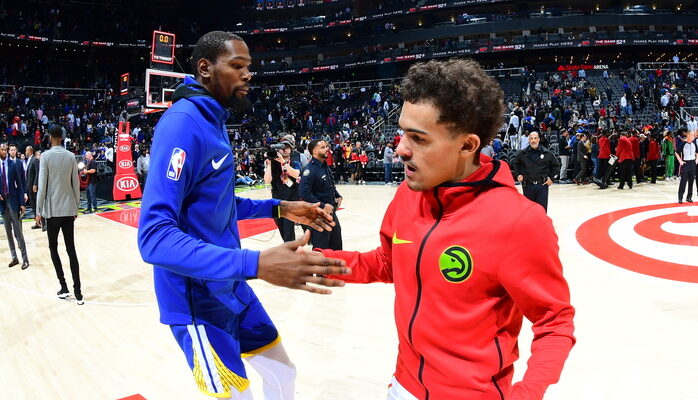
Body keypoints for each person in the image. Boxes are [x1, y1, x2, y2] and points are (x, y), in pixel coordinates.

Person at [319, 59, 575, 400]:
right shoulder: (407, 195)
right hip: (403, 384)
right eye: (401, 133)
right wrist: (319, 261)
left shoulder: (519, 222)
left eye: (418, 139)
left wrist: (528, 392)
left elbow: (554, 321)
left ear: (467, 146)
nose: (400, 149)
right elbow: (387, 263)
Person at [137, 31, 350, 400]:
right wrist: (255, 263)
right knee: (239, 395)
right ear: (205, 68)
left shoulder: (214, 119)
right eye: (237, 66)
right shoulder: (182, 125)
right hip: (197, 300)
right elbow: (153, 237)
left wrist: (279, 207)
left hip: (231, 286)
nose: (248, 74)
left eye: (249, 67)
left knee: (284, 374)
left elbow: (215, 204)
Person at [36, 126, 82, 303]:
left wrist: (39, 211)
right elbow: (75, 185)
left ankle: (63, 286)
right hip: (69, 210)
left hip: (52, 211)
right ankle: (78, 292)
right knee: (71, 250)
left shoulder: (45, 157)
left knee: (53, 248)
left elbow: (42, 186)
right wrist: (76, 207)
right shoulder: (70, 156)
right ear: (62, 137)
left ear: (50, 137)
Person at [299, 139, 343, 250]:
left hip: (331, 213)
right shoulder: (309, 170)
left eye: (326, 146)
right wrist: (323, 206)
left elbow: (330, 186)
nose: (327, 149)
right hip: (319, 215)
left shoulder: (324, 166)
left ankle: (335, 266)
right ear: (314, 152)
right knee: (321, 248)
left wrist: (337, 195)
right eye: (323, 147)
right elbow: (304, 194)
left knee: (336, 244)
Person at [264, 136, 301, 242]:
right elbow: (267, 181)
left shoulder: (295, 163)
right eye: (282, 147)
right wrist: (269, 165)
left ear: (291, 150)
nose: (284, 149)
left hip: (290, 200)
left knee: (288, 227)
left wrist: (283, 163)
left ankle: (290, 250)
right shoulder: (273, 164)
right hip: (276, 200)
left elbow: (295, 174)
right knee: (280, 226)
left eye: (287, 147)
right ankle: (288, 247)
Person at [512, 131, 560, 212]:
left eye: (535, 138)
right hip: (528, 186)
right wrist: (518, 175)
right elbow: (516, 164)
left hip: (542, 186)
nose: (533, 140)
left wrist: (552, 179)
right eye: (531, 138)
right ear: (528, 140)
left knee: (542, 210)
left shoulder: (547, 153)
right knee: (529, 210)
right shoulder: (522, 153)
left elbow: (556, 166)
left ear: (538, 139)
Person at [0, 143, 29, 270]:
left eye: (6, 149)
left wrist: (22, 203)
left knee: (18, 232)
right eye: (2, 149)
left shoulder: (13, 164)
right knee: (8, 232)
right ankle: (14, 257)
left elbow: (20, 183)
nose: (5, 151)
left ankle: (25, 259)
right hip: (2, 203)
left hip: (13, 201)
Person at [675, 130, 697, 203]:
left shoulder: (694, 143)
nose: (694, 136)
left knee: (691, 181)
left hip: (693, 163)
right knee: (683, 181)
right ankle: (680, 197)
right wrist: (680, 161)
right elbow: (676, 152)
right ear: (688, 135)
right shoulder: (683, 143)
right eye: (692, 135)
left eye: (694, 135)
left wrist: (696, 160)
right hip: (686, 164)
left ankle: (689, 197)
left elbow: (697, 153)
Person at [25, 147, 41, 229]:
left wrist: (35, 184)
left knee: (37, 205)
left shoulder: (35, 160)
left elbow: (38, 173)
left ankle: (42, 222)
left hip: (34, 187)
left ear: (30, 150)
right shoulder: (29, 160)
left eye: (26, 150)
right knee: (33, 204)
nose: (25, 152)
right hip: (29, 186)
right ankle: (38, 222)